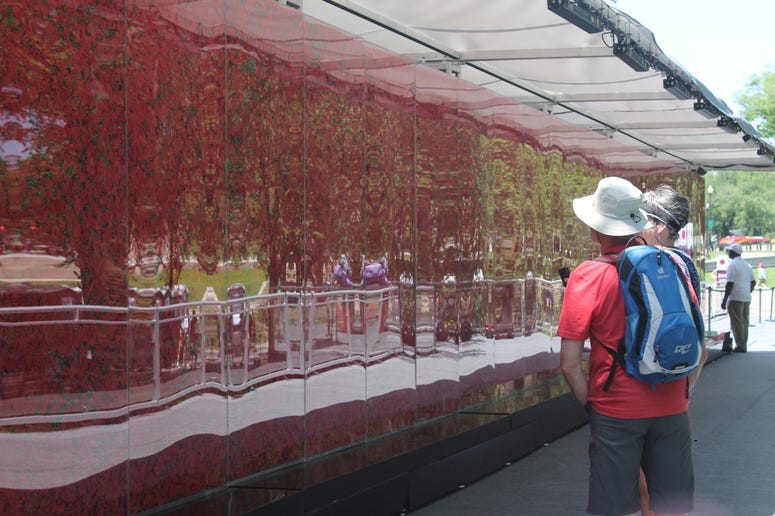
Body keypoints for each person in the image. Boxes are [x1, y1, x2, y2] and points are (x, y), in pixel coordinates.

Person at [558, 177, 695, 515]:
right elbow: (697, 343)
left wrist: (594, 405)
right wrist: (680, 394)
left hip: (616, 409)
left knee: (615, 507)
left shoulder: (588, 275)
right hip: (672, 406)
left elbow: (569, 364)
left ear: (595, 229)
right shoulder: (673, 265)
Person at [638, 184, 708, 516]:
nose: (638, 225)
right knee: (671, 479)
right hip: (677, 388)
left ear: (661, 227)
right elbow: (700, 346)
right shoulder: (686, 266)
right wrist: (686, 391)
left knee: (641, 476)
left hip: (638, 387)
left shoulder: (637, 262)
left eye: (644, 219)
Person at [721, 243, 755, 352]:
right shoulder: (746, 265)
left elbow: (729, 284)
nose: (728, 253)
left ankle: (740, 346)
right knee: (744, 321)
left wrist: (724, 299)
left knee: (736, 322)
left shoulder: (732, 265)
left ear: (733, 252)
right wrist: (747, 291)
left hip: (735, 297)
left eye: (729, 251)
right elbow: (753, 282)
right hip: (746, 297)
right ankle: (743, 343)